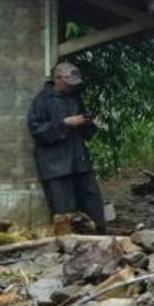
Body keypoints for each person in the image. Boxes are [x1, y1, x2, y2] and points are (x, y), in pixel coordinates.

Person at [27, 62, 107, 233]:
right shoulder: (41, 101)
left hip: (78, 160)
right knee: (65, 212)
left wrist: (88, 123)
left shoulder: (75, 98)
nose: (72, 87)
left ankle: (101, 238)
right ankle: (69, 247)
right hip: (55, 166)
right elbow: (36, 130)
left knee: (92, 200)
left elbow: (86, 133)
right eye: (69, 83)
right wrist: (64, 123)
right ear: (57, 79)